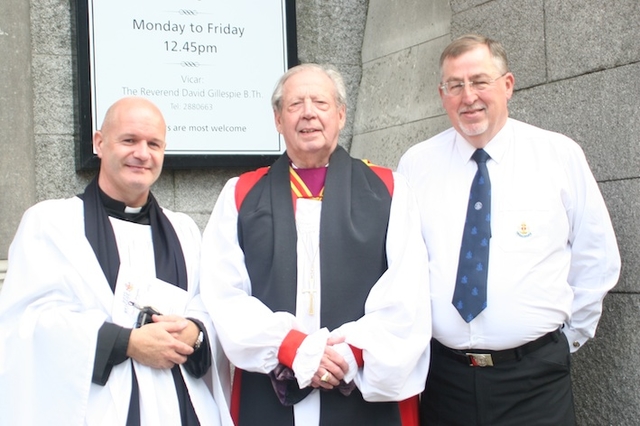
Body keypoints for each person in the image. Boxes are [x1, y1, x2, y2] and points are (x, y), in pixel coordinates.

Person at [397, 34, 621, 425]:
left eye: (480, 81)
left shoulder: (557, 155)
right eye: (455, 85)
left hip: (534, 382)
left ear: (508, 85)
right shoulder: (417, 164)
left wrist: (566, 341)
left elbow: (596, 255)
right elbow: (403, 261)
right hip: (443, 380)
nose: (468, 97)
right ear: (442, 93)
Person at [199, 63, 431, 426]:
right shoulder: (241, 194)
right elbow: (222, 295)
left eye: (320, 103)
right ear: (277, 119)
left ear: (340, 114)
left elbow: (408, 292)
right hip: (271, 386)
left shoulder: (388, 190)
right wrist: (293, 348)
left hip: (357, 381)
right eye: (295, 105)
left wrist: (349, 355)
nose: (308, 113)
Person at [0, 97, 232, 426]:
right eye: (129, 140)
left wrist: (194, 332)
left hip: (180, 406)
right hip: (98, 407)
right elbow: (27, 323)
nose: (142, 153)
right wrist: (127, 343)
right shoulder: (51, 223)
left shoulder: (184, 230)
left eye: (153, 143)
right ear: (99, 143)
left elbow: (210, 307)